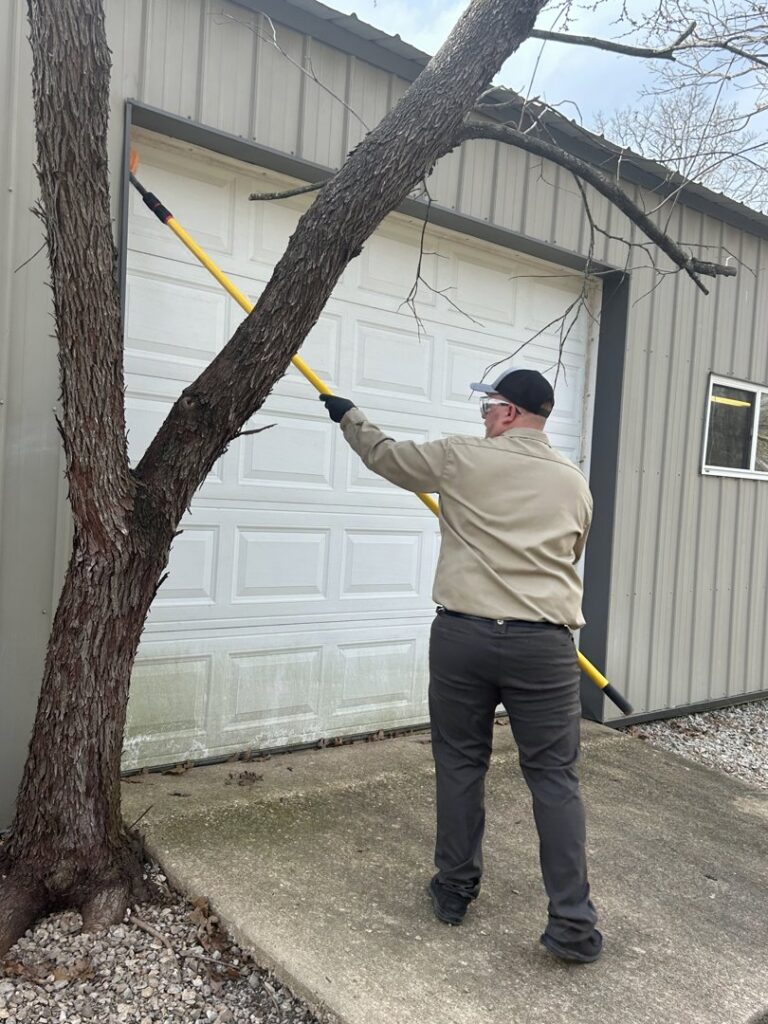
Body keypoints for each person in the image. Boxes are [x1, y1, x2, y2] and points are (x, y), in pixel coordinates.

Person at [319, 368, 601, 964]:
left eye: (487, 407)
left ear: (507, 413)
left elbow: (387, 458)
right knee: (554, 779)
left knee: (460, 763)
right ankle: (572, 925)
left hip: (464, 638)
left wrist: (349, 415)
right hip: (544, 646)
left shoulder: (461, 458)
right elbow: (571, 551)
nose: (482, 417)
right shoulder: (575, 482)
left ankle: (453, 891)